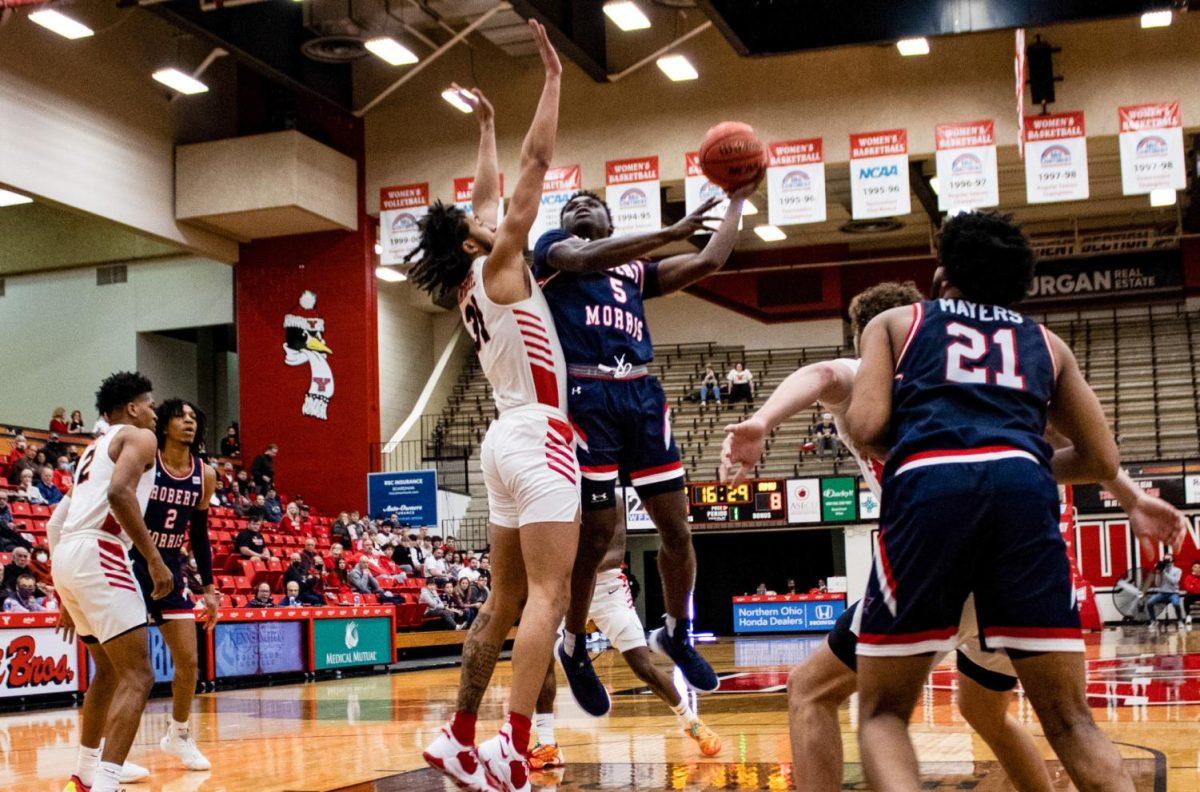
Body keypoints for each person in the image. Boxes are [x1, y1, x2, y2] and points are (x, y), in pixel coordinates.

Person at [722, 277, 1188, 792]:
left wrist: (762, 419)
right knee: (988, 709)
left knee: (812, 690)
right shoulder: (986, 378)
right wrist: (1131, 498)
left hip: (935, 554)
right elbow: (1070, 439)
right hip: (1017, 558)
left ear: (870, 336)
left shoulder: (877, 363)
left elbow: (821, 372)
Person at [842, 212, 1182, 792]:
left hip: (931, 487)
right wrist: (1011, 460)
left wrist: (943, 444)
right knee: (1071, 720)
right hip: (1025, 494)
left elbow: (869, 426)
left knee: (882, 713)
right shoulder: (1046, 344)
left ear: (942, 273)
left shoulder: (898, 322)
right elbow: (1100, 459)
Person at [533, 132, 759, 717]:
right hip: (588, 394)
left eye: (591, 202)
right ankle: (575, 641)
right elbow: (585, 257)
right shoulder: (555, 252)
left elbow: (710, 260)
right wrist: (674, 229)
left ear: (610, 220)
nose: (580, 205)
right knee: (599, 531)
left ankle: (677, 631)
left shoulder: (634, 271)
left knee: (677, 530)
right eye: (571, 203)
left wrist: (736, 199)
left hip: (641, 393)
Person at [413, 26, 581, 790]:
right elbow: (536, 166)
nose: (489, 215)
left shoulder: (467, 283)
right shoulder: (504, 261)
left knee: (508, 594)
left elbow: (486, 195)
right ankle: (513, 746)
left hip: (503, 442)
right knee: (548, 594)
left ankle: (457, 735)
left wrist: (483, 125)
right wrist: (550, 76)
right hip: (542, 436)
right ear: (476, 240)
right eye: (478, 221)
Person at [49, 372, 171, 792]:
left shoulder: (92, 450)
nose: (155, 413)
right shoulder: (140, 438)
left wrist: (65, 592)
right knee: (138, 676)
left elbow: (55, 522)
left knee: (107, 670)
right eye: (150, 405)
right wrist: (155, 561)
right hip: (101, 550)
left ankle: (85, 773)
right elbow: (121, 494)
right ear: (133, 408)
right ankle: (106, 783)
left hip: (69, 554)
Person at [530, 517, 721, 771]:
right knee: (542, 656)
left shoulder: (613, 498)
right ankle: (546, 743)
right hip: (566, 585)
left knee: (643, 665)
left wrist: (577, 559)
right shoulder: (561, 496)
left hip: (607, 589)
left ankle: (692, 722)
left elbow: (613, 554)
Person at [127, 399, 218, 773]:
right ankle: (108, 751)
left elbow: (199, 534)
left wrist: (209, 588)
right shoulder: (147, 463)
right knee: (126, 668)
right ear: (164, 424)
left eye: (194, 417)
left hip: (171, 567)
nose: (188, 422)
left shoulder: (205, 474)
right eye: (181, 416)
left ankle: (178, 735)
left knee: (189, 660)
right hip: (131, 562)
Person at [1145, 554, 1185, 626]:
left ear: (1172, 560)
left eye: (1168, 559)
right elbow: (1158, 584)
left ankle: (1180, 621)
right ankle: (1153, 620)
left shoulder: (1177, 570)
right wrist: (1157, 573)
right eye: (1165, 559)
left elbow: (1174, 581)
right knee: (1149, 603)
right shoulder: (1161, 570)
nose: (1166, 561)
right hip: (1162, 593)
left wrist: (1164, 573)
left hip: (1173, 593)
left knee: (1176, 604)